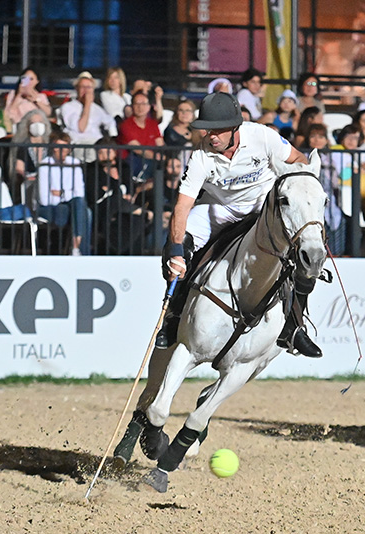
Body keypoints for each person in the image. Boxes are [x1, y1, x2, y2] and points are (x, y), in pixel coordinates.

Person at [157, 92, 321, 358]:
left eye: (218, 130)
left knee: (304, 255)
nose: (212, 136)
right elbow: (182, 207)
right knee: (178, 243)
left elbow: (300, 161)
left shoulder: (263, 136)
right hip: (221, 207)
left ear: (236, 127)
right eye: (207, 130)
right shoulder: (201, 156)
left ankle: (293, 327)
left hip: (263, 206)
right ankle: (173, 317)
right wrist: (176, 250)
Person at [35, 131, 92, 256]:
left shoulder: (74, 164)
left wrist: (60, 194)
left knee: (82, 207)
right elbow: (44, 199)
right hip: (48, 208)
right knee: (83, 212)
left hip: (71, 205)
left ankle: (76, 246)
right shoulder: (44, 166)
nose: (62, 150)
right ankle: (81, 251)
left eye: (65, 147)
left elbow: (79, 193)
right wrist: (67, 194)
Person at [58, 71, 118, 161]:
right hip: (78, 145)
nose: (86, 90)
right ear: (77, 88)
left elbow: (110, 122)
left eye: (89, 87)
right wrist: (87, 105)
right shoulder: (68, 107)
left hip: (97, 144)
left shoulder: (97, 109)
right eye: (83, 87)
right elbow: (80, 128)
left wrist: (113, 138)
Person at [304, 123, 345, 255]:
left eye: (321, 137)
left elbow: (335, 181)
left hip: (329, 198)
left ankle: (336, 253)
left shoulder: (331, 157)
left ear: (326, 140)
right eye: (313, 136)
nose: (317, 140)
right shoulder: (302, 156)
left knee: (337, 220)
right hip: (308, 198)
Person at [117, 91, 164, 182]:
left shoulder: (153, 124)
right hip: (133, 163)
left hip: (152, 161)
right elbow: (138, 149)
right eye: (137, 104)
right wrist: (158, 157)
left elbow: (160, 144)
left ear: (149, 106)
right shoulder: (126, 125)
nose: (140, 107)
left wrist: (165, 157)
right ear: (132, 106)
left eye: (143, 104)